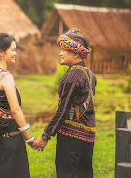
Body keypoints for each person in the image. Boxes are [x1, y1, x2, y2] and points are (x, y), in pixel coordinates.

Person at [33, 28, 97, 178]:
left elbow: (63, 109)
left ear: (76, 53)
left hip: (71, 140)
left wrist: (46, 135)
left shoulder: (72, 76)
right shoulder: (90, 74)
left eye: (64, 50)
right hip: (88, 138)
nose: (60, 53)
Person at [0, 33, 34, 178]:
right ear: (1, 52)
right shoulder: (6, 77)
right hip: (10, 133)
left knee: (3, 172)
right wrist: (29, 138)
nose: (15, 53)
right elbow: (15, 110)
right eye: (12, 50)